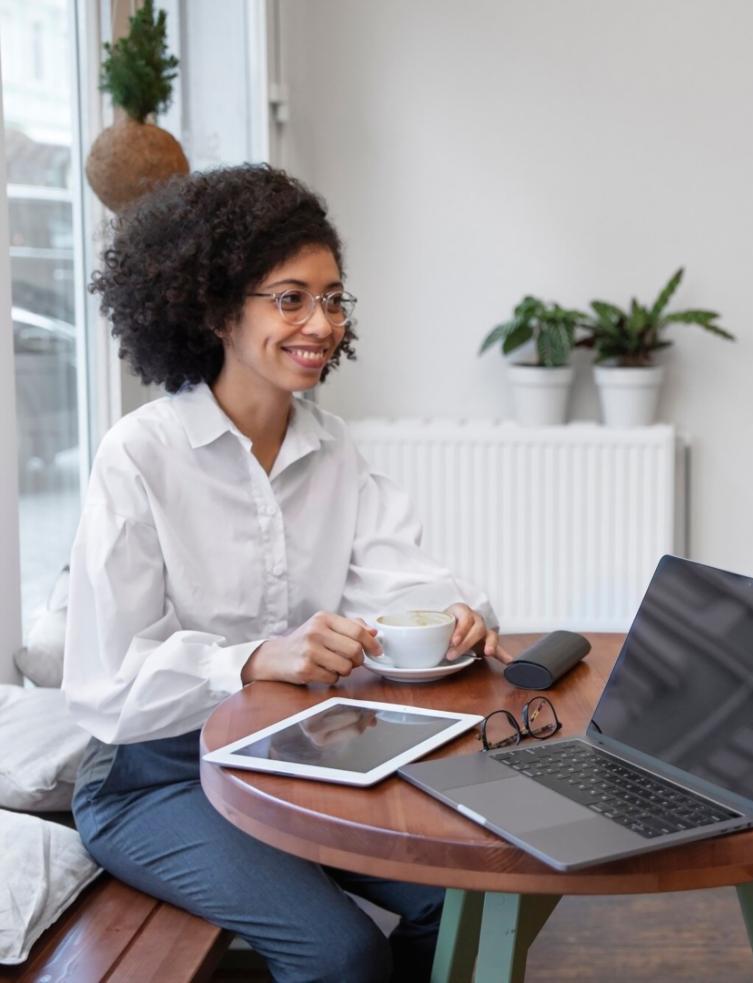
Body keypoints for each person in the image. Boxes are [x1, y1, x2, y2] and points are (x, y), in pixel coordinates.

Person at [62, 164, 511, 983]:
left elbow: (402, 576)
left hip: (292, 749)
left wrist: (454, 613)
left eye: (333, 298)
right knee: (340, 952)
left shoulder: (332, 447)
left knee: (462, 901)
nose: (321, 322)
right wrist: (252, 658)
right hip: (153, 778)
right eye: (290, 297)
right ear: (218, 307)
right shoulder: (140, 455)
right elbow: (103, 685)